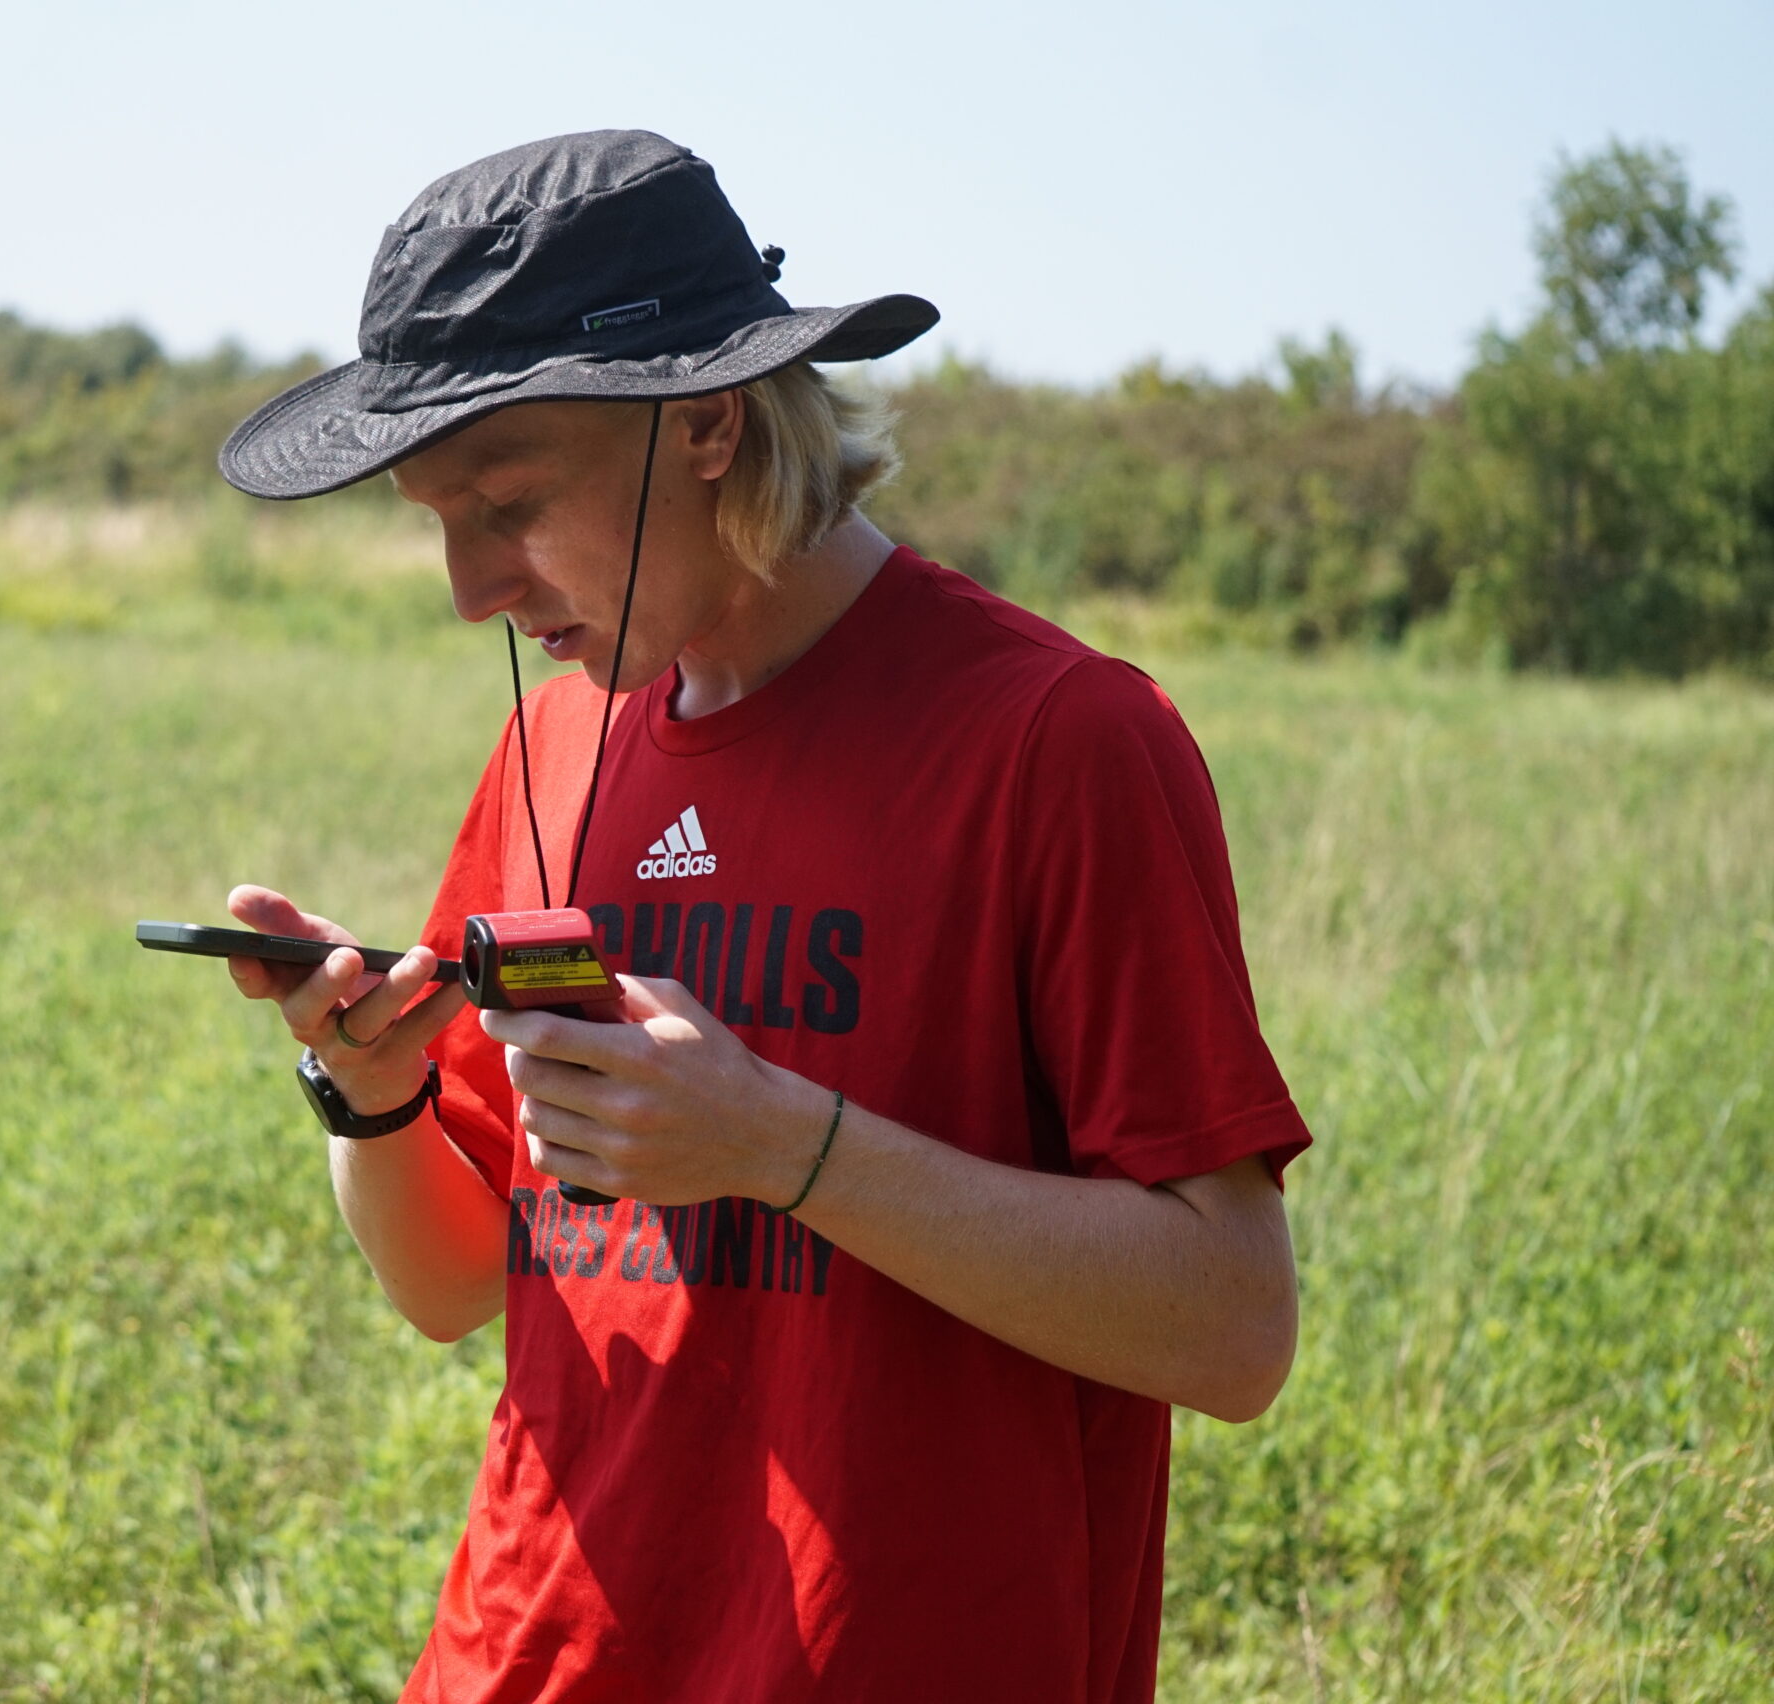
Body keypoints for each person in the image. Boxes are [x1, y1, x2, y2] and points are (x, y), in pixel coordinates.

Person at [216, 130, 1310, 1703]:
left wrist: (781, 1146)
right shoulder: (559, 736)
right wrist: (373, 1094)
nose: (467, 587)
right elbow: (455, 1283)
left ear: (710, 424)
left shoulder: (1056, 743)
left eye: (509, 504)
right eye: (433, 517)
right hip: (535, 1656)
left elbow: (1231, 1325)